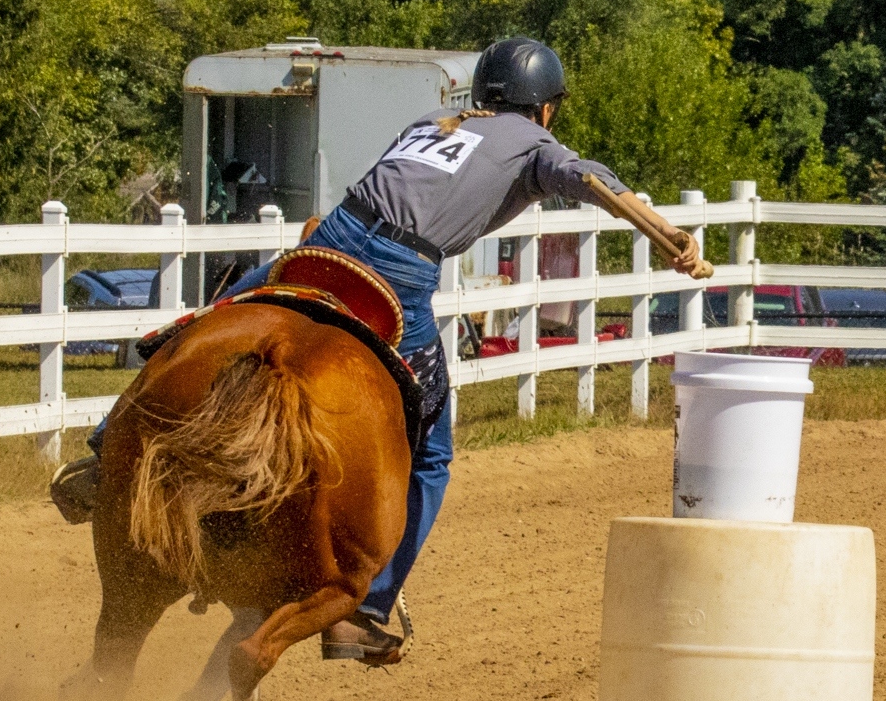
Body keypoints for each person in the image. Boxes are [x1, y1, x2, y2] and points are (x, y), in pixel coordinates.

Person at [53, 36, 701, 663]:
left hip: (334, 236)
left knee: (203, 324)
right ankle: (365, 608)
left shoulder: (436, 120)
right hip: (400, 273)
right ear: (546, 107)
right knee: (432, 453)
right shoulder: (535, 143)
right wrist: (671, 237)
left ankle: (106, 454)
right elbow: (588, 178)